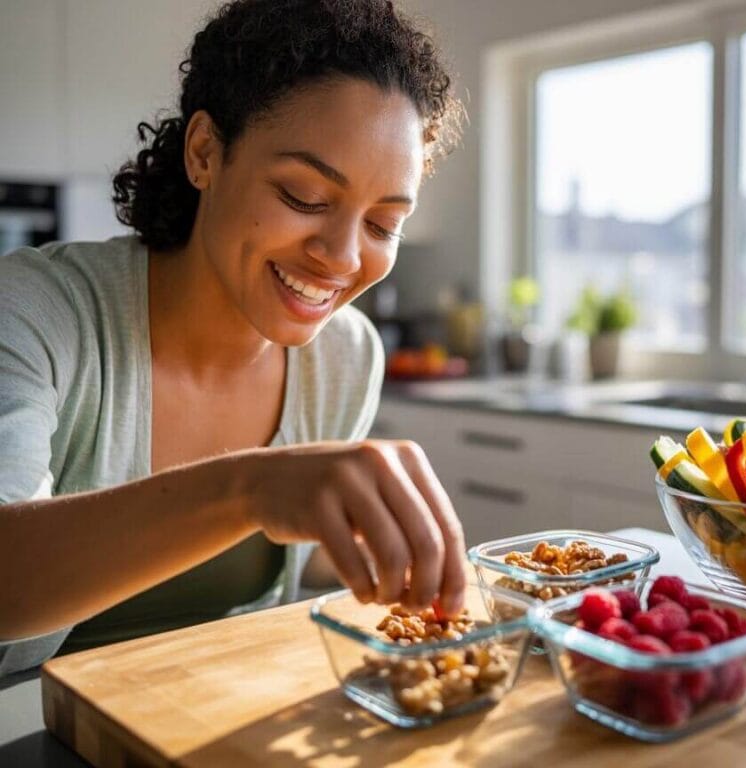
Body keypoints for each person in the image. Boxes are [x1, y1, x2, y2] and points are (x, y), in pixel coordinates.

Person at [0, 0, 467, 676]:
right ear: (204, 153)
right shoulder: (36, 310)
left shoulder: (347, 355)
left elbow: (284, 580)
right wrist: (251, 489)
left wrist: (368, 537)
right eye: (304, 196)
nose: (342, 258)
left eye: (382, 225)